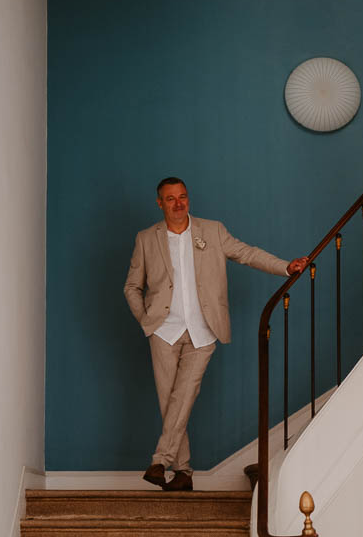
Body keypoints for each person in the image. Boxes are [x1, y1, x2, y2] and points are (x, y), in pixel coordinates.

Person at [124, 177, 308, 492]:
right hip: (163, 332)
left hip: (203, 330)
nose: (179, 203)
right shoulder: (146, 238)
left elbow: (247, 254)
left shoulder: (213, 231)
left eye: (183, 196)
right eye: (171, 199)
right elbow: (132, 286)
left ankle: (160, 460)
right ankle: (182, 472)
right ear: (160, 203)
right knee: (170, 403)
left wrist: (285, 267)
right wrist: (146, 320)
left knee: (184, 395)